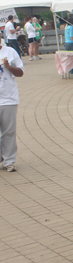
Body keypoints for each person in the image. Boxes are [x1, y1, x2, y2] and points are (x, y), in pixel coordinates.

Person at [0, 41, 24, 172]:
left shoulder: (10, 52)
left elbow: (20, 72)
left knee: (8, 131)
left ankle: (9, 161)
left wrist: (9, 67)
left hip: (8, 99)